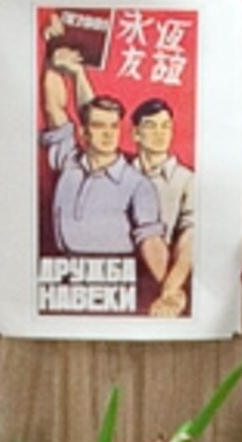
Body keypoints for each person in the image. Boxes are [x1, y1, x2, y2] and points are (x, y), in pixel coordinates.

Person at [40, 46, 169, 277]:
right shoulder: (69, 162)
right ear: (83, 133)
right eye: (100, 126)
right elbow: (53, 108)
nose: (108, 134)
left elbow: (151, 240)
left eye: (114, 126)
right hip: (64, 277)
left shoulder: (137, 184)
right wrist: (53, 63)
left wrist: (169, 291)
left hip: (115, 279)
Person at [128, 97, 195, 317]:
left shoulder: (187, 180)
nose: (160, 133)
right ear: (136, 133)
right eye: (152, 126)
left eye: (166, 126)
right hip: (119, 276)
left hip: (168, 276)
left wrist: (170, 289)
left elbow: (189, 239)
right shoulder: (119, 174)